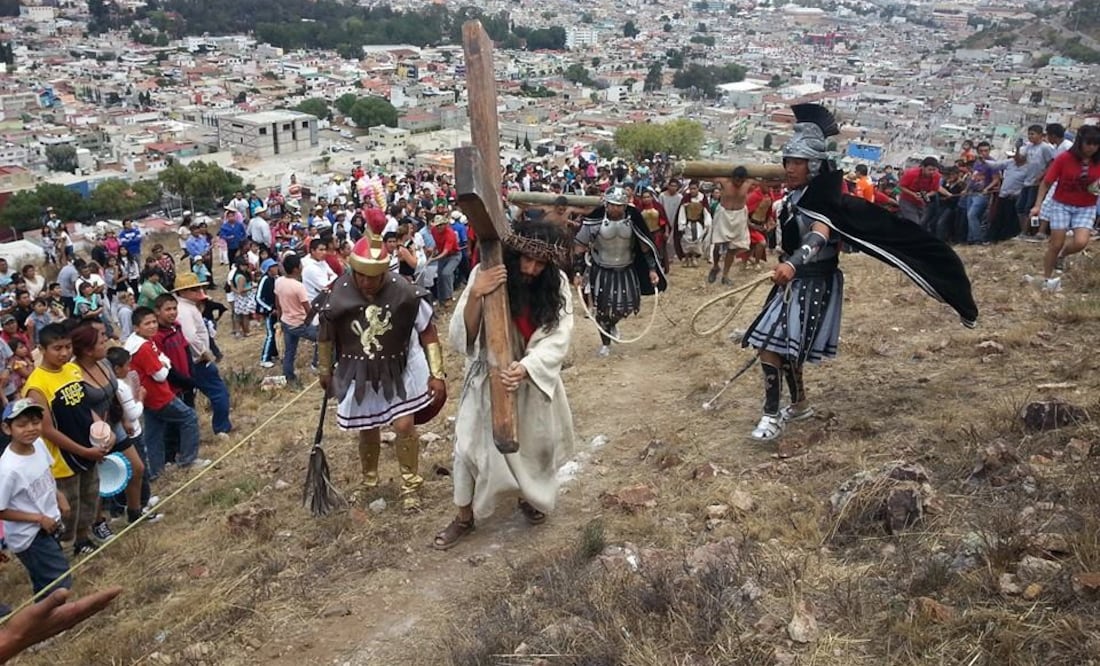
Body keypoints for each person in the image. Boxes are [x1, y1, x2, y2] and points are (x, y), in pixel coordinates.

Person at [741, 104, 978, 443]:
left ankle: (771, 413)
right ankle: (800, 405)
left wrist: (793, 262)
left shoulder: (824, 201)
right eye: (787, 161)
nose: (789, 168)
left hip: (814, 283)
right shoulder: (796, 196)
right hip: (793, 283)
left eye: (797, 162)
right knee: (781, 346)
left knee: (771, 345)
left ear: (814, 165)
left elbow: (819, 235)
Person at [433, 222, 575, 549]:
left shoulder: (558, 284)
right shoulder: (487, 272)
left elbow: (559, 335)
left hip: (530, 377)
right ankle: (464, 517)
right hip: (487, 378)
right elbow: (463, 335)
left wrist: (526, 367)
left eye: (541, 264)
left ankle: (529, 496)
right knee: (467, 446)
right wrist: (476, 293)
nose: (531, 268)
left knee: (535, 444)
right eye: (526, 259)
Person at [315, 235, 446, 511]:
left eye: (372, 277)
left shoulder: (406, 293)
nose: (365, 282)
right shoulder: (338, 291)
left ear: (384, 272)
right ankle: (369, 481)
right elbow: (325, 334)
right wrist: (325, 369)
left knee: (403, 425)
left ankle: (411, 483)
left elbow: (427, 331)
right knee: (367, 426)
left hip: (402, 365)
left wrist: (437, 372)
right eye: (360, 276)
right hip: (360, 369)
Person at [22, 324, 110, 556]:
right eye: (57, 348)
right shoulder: (37, 385)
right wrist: (82, 451)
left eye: (67, 347)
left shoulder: (72, 370)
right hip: (63, 458)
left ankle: (83, 540)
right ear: (42, 349)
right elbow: (47, 430)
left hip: (88, 448)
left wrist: (101, 430)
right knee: (67, 508)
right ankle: (64, 549)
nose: (63, 353)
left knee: (89, 497)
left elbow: (84, 407)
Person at [573, 187, 666, 358]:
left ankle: (612, 324)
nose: (616, 209)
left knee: (628, 305)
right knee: (602, 309)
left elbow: (645, 246)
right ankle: (605, 343)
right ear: (606, 204)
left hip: (626, 269)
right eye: (612, 205)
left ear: (625, 206)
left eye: (619, 205)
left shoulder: (633, 221)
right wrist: (578, 272)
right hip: (601, 270)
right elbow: (579, 247)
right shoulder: (594, 222)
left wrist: (652, 269)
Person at [69, 324, 147, 526]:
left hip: (114, 424)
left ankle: (134, 512)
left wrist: (123, 420)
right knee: (96, 483)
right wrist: (101, 434)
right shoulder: (73, 374)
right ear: (87, 350)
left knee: (136, 468)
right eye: (101, 342)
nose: (106, 344)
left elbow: (113, 395)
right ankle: (98, 524)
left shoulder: (104, 364)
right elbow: (81, 408)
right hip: (92, 433)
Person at [124, 307, 208, 480]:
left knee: (154, 434)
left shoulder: (139, 342)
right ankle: (188, 460)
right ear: (136, 327)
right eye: (147, 323)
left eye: (154, 322)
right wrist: (165, 364)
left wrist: (163, 362)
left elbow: (162, 359)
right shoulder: (144, 347)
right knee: (189, 417)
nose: (152, 326)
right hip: (158, 394)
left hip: (147, 396)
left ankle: (156, 471)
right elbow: (161, 374)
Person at [1025, 125, 1100, 292]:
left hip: (1086, 205)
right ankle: (1046, 278)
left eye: (1096, 144)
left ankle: (1063, 255)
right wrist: (1037, 205)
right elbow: (1046, 182)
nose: (1092, 148)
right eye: (1089, 144)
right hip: (1061, 203)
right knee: (1055, 243)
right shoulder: (1065, 158)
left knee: (1081, 242)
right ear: (1081, 142)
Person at [172, 273, 232, 437]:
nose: (197, 291)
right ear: (182, 292)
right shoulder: (185, 310)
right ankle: (221, 428)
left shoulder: (186, 307)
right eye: (192, 289)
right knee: (219, 393)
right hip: (197, 361)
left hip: (193, 360)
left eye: (197, 287)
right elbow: (190, 337)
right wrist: (203, 352)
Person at [706, 168, 754, 285]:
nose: (738, 183)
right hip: (723, 214)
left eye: (741, 181)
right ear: (732, 178)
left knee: (732, 248)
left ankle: (725, 275)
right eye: (736, 180)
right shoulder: (724, 181)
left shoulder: (748, 183)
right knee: (717, 244)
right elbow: (706, 177)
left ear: (744, 179)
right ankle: (716, 266)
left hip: (739, 215)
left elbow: (767, 183)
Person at [274, 254, 316, 387]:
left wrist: (279, 318)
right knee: (324, 339)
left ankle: (289, 377)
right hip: (299, 323)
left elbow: (277, 302)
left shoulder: (279, 281)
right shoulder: (298, 286)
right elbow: (308, 309)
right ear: (296, 269)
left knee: (289, 352)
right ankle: (318, 365)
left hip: (286, 321)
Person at [897, 157, 942, 227]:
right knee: (914, 223)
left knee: (920, 222)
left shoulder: (937, 176)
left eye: (934, 170)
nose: (932, 172)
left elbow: (935, 190)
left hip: (921, 203)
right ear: (923, 167)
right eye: (929, 169)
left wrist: (927, 195)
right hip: (907, 200)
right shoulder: (911, 174)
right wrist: (913, 194)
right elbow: (900, 186)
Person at [255, 258, 280, 369]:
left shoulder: (276, 279)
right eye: (274, 267)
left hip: (276, 311)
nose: (276, 268)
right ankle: (265, 359)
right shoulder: (265, 279)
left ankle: (274, 353)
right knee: (270, 334)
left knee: (276, 332)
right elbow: (258, 297)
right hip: (269, 312)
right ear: (268, 269)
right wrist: (269, 309)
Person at [677, 187, 711, 267]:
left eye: (694, 188)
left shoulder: (702, 199)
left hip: (698, 223)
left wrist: (707, 223)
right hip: (688, 223)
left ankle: (694, 257)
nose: (693, 190)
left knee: (697, 239)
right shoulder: (686, 199)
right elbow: (682, 212)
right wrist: (682, 224)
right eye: (691, 188)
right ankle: (686, 257)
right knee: (687, 239)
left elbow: (705, 211)